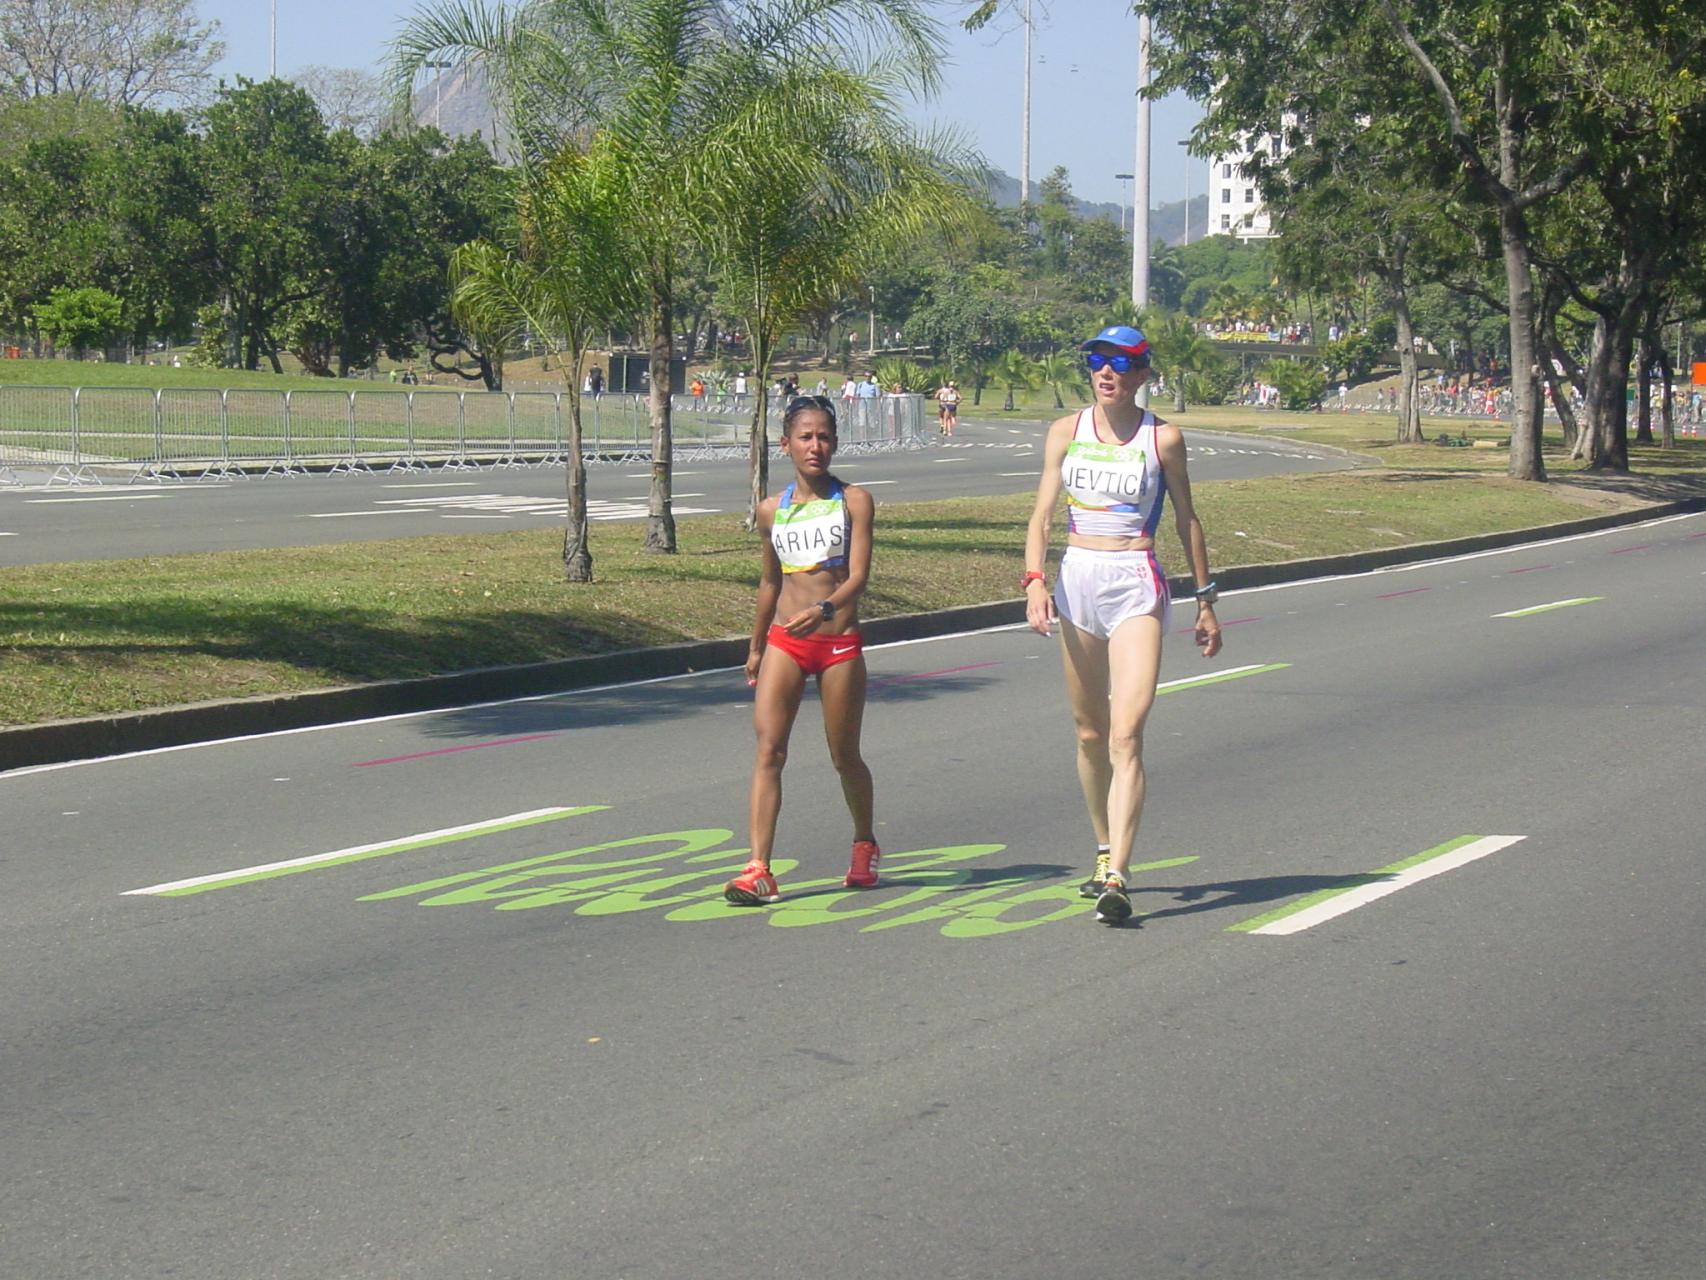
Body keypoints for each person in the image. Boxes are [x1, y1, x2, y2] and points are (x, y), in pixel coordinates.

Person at [1021, 324, 1223, 925]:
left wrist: (1205, 599)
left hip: (1135, 579)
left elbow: (1188, 518)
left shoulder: (1163, 439)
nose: (1106, 371)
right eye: (1097, 360)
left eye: (1121, 362)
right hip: (1077, 578)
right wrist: (1034, 582)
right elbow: (1041, 515)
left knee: (1125, 735)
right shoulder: (1065, 432)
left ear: (1141, 373)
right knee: (1089, 732)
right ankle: (1103, 846)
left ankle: (1119, 875)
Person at [725, 395, 880, 905]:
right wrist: (755, 647)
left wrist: (827, 610)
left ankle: (863, 843)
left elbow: (858, 577)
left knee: (844, 756)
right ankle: (759, 869)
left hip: (837, 642)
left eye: (825, 437)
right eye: (806, 437)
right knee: (769, 748)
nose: (817, 446)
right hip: (785, 644)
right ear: (786, 443)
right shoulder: (772, 510)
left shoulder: (854, 500)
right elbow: (770, 583)